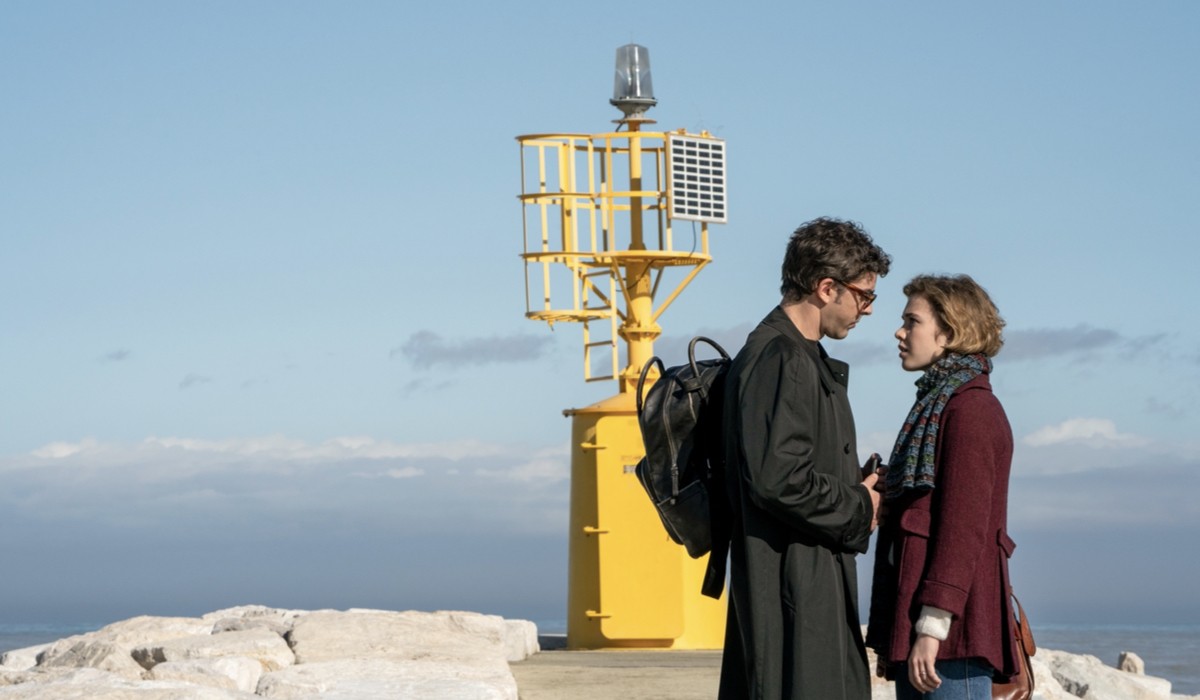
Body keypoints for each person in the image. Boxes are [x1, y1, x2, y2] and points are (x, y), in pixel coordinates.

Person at [718, 217, 892, 700]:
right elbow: (778, 478)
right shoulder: (781, 357)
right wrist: (860, 504)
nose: (869, 309)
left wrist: (855, 484)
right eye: (864, 295)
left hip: (802, 574)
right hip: (792, 582)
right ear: (826, 287)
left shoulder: (797, 355)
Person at [866, 274, 1019, 699]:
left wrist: (932, 629)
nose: (899, 332)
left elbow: (963, 530)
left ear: (948, 332)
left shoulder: (970, 410)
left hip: (952, 641)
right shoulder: (938, 404)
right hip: (932, 634)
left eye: (911, 321)